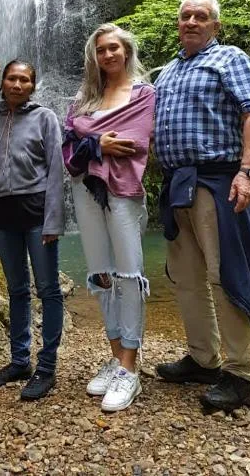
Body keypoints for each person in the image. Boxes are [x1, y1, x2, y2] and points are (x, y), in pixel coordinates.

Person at [154, 0, 250, 412]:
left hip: (218, 181)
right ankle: (204, 359)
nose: (191, 22)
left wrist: (246, 172)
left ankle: (240, 376)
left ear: (215, 25)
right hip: (175, 184)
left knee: (226, 275)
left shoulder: (230, 58)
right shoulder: (167, 71)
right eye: (185, 16)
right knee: (186, 277)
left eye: (201, 16)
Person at [63, 23, 155, 412]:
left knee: (129, 274)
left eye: (113, 48)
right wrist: (97, 140)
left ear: (126, 51)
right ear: (94, 56)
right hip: (86, 189)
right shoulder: (86, 97)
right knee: (101, 272)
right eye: (101, 50)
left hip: (123, 191)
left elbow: (136, 141)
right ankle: (116, 357)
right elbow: (69, 137)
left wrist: (87, 134)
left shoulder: (144, 94)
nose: (107, 55)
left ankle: (130, 369)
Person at [0, 59, 64, 401]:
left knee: (48, 289)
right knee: (17, 289)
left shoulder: (45, 118)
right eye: (12, 78)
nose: (18, 84)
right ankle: (20, 360)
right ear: (2, 82)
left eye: (25, 79)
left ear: (32, 85)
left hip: (37, 211)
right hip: (2, 213)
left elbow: (56, 168)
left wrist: (54, 219)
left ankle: (47, 367)